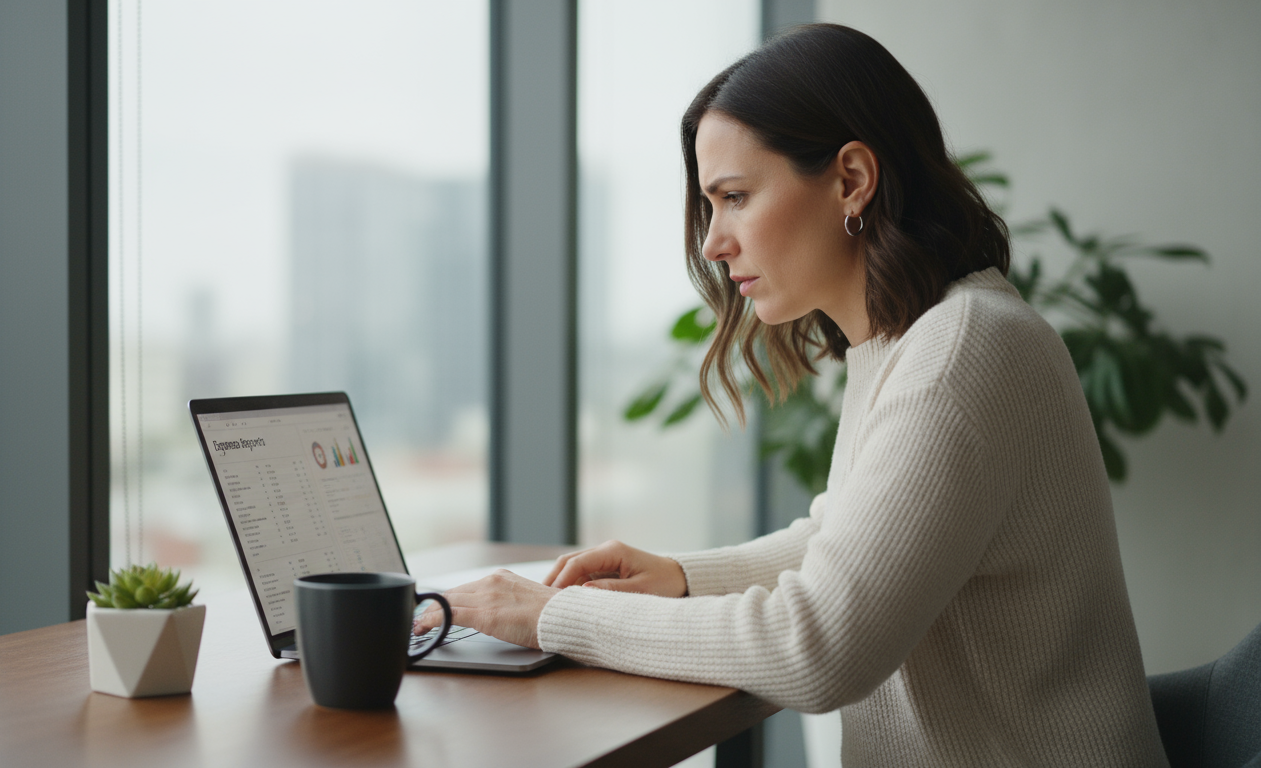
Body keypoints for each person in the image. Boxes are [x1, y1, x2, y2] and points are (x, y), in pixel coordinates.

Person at [415, 23, 1169, 766]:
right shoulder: (914, 337)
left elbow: (819, 648)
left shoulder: (960, 350)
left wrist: (552, 616)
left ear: (851, 180)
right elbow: (843, 538)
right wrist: (680, 578)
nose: (713, 241)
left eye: (734, 197)